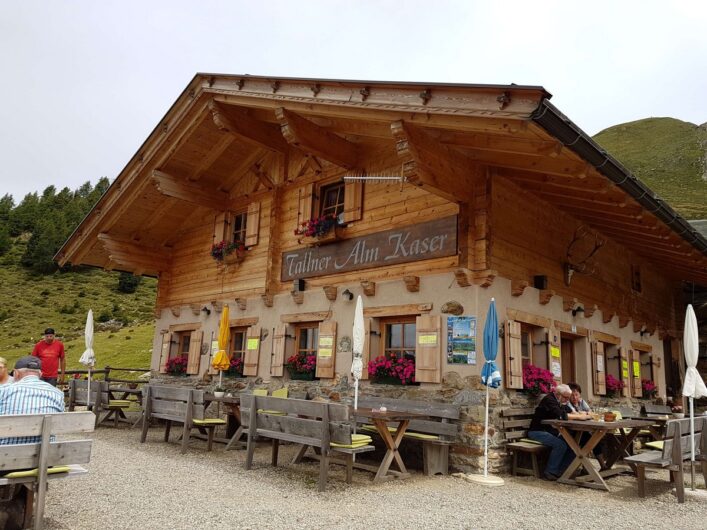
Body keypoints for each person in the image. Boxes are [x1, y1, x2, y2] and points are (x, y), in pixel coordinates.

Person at [0, 356, 65, 529]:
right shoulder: (57, 393)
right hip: (46, 460)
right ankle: (21, 509)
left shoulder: (4, 391)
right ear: (41, 374)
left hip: (6, 462)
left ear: (17, 374)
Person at [527, 383, 589, 481]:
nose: (567, 400)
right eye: (566, 397)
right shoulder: (549, 400)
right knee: (560, 445)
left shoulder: (561, 401)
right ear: (558, 394)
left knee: (573, 446)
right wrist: (579, 416)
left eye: (568, 398)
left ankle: (562, 472)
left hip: (550, 432)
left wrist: (579, 413)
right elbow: (561, 416)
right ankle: (550, 472)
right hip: (537, 431)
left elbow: (569, 411)